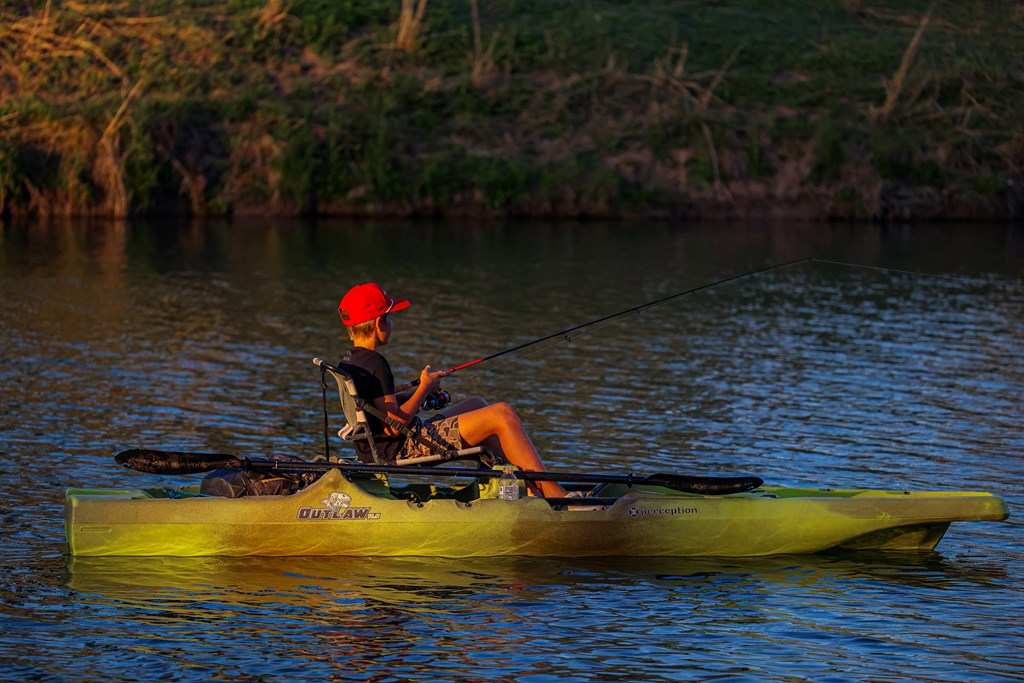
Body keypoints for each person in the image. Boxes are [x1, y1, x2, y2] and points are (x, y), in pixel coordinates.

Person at [336, 281, 572, 499]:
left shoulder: (351, 359)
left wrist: (417, 392)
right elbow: (393, 427)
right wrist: (424, 387)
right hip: (405, 447)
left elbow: (376, 408)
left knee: (477, 403)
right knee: (503, 414)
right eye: (391, 317)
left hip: (383, 446)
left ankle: (528, 488)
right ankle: (554, 493)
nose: (392, 323)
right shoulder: (377, 363)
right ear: (379, 323)